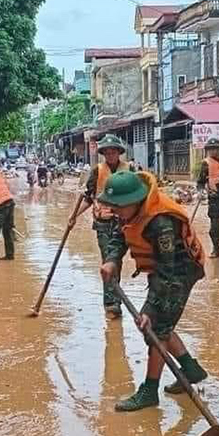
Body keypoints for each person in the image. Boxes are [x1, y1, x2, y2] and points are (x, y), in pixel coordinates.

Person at [98, 170, 208, 411]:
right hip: (163, 272)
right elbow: (120, 236)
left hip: (180, 271)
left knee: (155, 330)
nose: (114, 212)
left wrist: (149, 308)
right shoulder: (129, 213)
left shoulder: (160, 223)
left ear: (135, 202)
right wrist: (112, 259)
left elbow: (167, 273)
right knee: (161, 326)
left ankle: (150, 390)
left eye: (117, 208)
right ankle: (191, 370)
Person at [70, 134, 129, 318]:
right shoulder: (97, 171)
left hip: (123, 223)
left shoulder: (130, 170)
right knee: (109, 261)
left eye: (114, 152)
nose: (110, 155)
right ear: (104, 154)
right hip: (103, 224)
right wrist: (73, 216)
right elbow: (88, 198)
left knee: (116, 261)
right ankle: (112, 303)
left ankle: (114, 300)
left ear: (119, 152)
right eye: (107, 152)